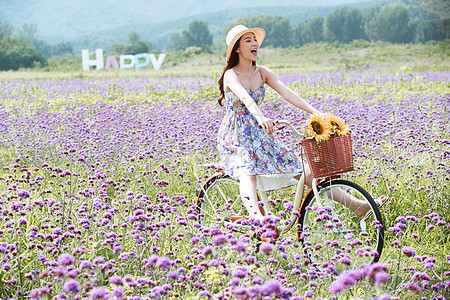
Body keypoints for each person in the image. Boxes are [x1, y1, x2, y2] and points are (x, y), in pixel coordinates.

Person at [216, 25, 385, 222]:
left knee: (304, 171)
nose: (255, 44)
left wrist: (316, 112)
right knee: (248, 172)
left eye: (255, 40)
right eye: (248, 40)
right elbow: (246, 99)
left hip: (260, 133)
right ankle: (258, 220)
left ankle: (357, 205)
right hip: (236, 135)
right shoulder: (231, 75)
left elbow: (288, 93)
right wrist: (261, 118)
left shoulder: (263, 73)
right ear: (237, 48)